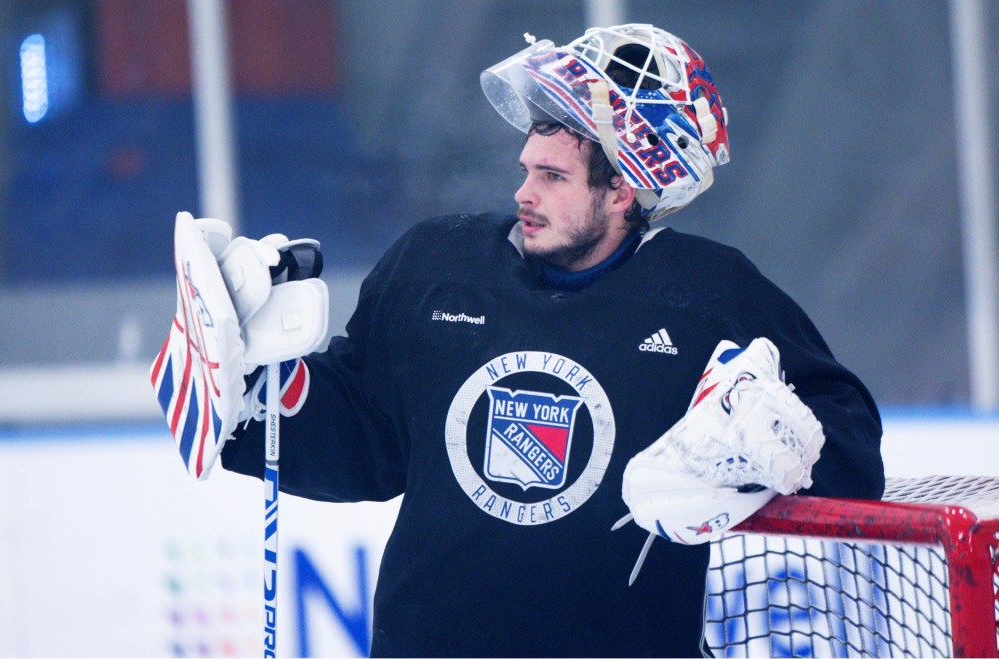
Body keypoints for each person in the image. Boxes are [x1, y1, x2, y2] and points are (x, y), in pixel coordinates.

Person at [153, 23, 884, 657]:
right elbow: (366, 435)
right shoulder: (435, 269)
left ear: (624, 190)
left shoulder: (712, 298)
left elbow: (846, 439)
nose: (522, 193)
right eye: (527, 169)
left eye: (553, 176)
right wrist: (251, 382)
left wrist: (776, 438)